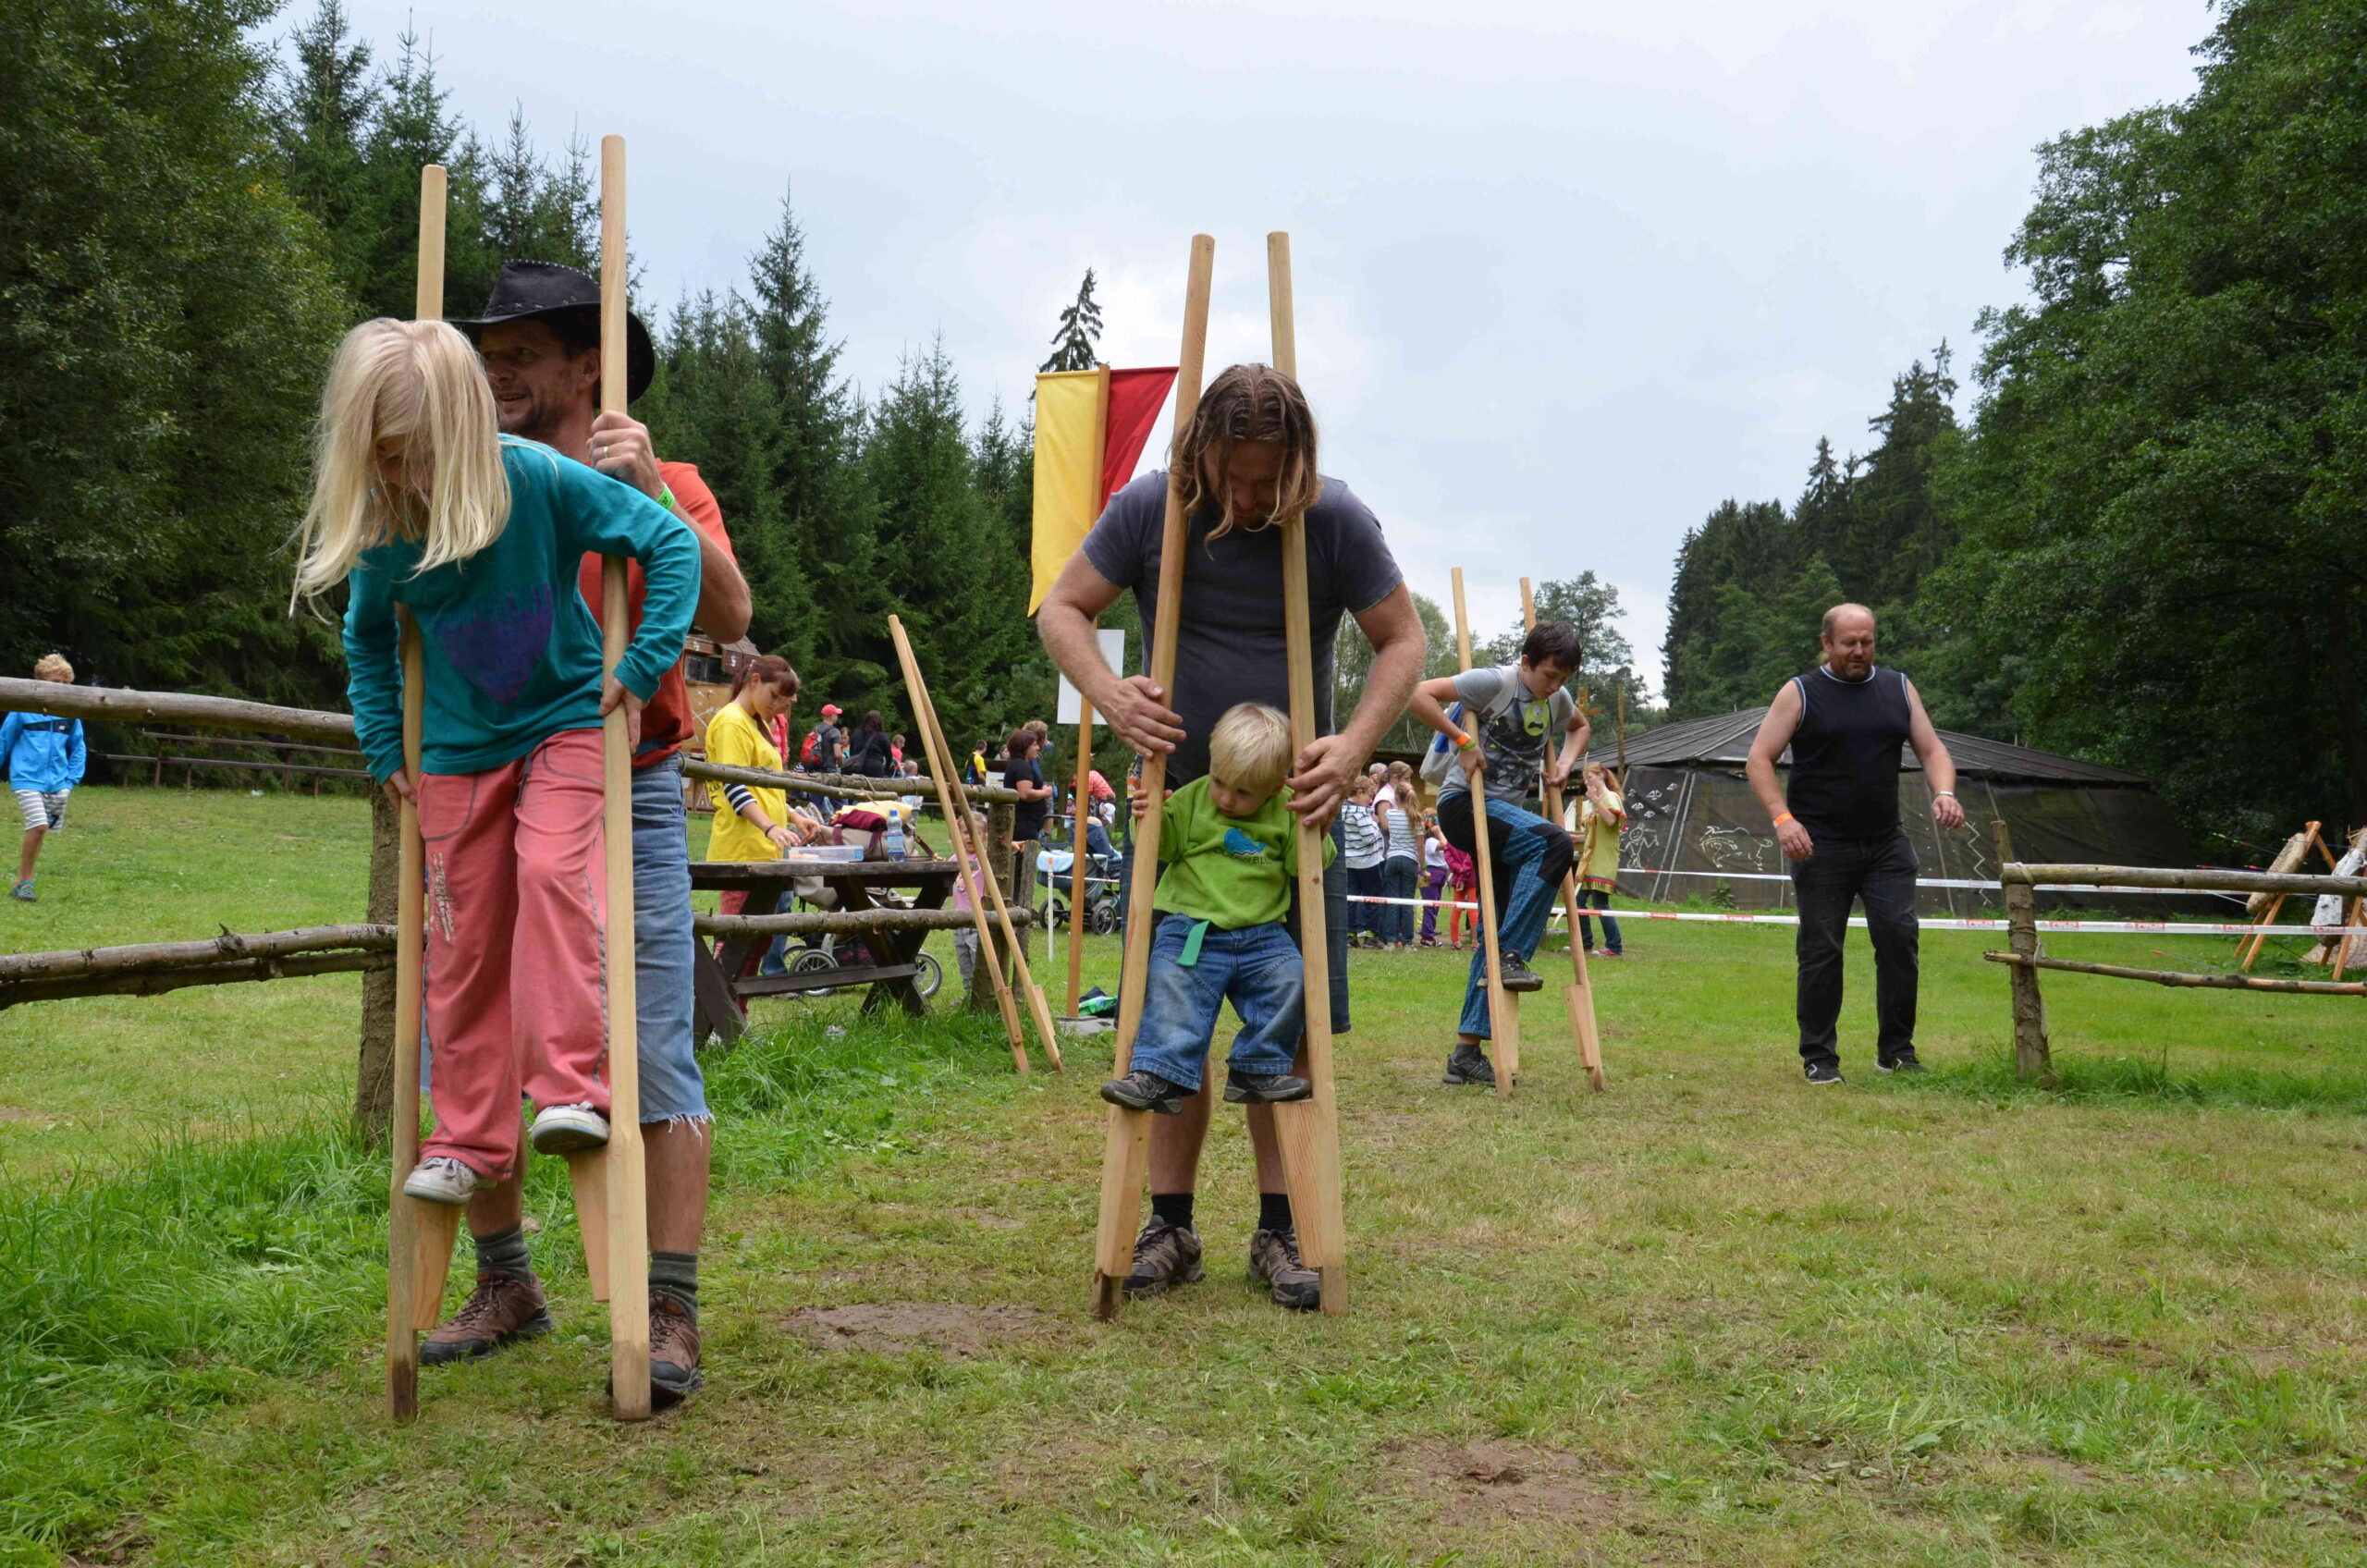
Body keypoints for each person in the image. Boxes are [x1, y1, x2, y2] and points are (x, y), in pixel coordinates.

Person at [297, 317, 699, 1398]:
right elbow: (369, 642)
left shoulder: (534, 477)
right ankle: (469, 1133)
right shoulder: (385, 521)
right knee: (457, 940)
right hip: (460, 749)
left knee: (557, 880)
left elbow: (665, 546)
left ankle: (572, 1087)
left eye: (430, 453)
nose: (417, 476)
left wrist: (647, 657)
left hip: (571, 720)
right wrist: (387, 744)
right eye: (394, 457)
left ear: (473, 427)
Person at [1037, 361, 1425, 1310]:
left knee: (1281, 1029)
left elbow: (1403, 642)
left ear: (1299, 463)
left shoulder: (1332, 519)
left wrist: (1352, 750)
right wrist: (1111, 695)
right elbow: (1062, 608)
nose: (1252, 498)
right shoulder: (1149, 510)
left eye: (1270, 480)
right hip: (1181, 816)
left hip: (1299, 815)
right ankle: (1168, 1221)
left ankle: (1282, 1229)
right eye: (1236, 477)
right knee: (1167, 1022)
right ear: (1200, 450)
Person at [440, 258, 754, 1405]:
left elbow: (730, 613)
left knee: (654, 1046)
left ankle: (666, 1304)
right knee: (465, 1034)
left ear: (588, 366)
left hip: (629, 788)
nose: (497, 369)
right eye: (491, 351)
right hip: (485, 788)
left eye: (521, 351)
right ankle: (508, 1281)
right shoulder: (475, 482)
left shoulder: (663, 477)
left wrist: (653, 497)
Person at [1746, 603, 1961, 1084]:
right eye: (1849, 643)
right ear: (1826, 643)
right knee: (1822, 949)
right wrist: (1783, 819)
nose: (1859, 651)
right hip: (1820, 845)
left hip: (1886, 843)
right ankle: (1820, 1057)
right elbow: (1759, 759)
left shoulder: (1899, 688)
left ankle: (1897, 1051)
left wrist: (1944, 791)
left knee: (1900, 939)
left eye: (1867, 642)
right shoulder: (1800, 692)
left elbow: (1932, 749)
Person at [1102, 703, 1331, 1119]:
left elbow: (1304, 869)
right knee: (1171, 988)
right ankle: (1159, 1073)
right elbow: (1165, 847)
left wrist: (1316, 830)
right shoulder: (1193, 798)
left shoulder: (1287, 807)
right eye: (1221, 782)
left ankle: (1257, 1069)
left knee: (1292, 979)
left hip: (1262, 935)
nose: (1226, 798)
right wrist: (1149, 817)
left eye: (1243, 792)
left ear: (1276, 784)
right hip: (1192, 930)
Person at [1410, 619, 1589, 1088]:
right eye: (1549, 675)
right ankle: (1511, 954)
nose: (1555, 687)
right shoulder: (1493, 681)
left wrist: (1565, 766)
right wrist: (1465, 741)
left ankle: (1466, 1053)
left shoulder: (1558, 700)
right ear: (1527, 662)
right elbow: (1416, 693)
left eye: (1563, 679)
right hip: (1463, 805)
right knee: (1555, 842)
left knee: (1497, 923)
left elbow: (1580, 728)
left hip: (1507, 818)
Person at [703, 656, 822, 974]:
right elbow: (736, 788)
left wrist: (794, 816)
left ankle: (735, 1020)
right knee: (734, 944)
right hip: (742, 850)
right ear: (753, 681)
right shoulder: (732, 722)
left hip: (763, 850)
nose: (777, 707)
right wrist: (770, 827)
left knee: (755, 947)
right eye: (774, 697)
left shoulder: (757, 722)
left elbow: (765, 788)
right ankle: (714, 1018)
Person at [4, 655, 86, 902]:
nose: (58, 688)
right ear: (40, 682)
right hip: (26, 778)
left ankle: (21, 882)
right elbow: (3, 740)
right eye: (53, 682)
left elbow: (78, 747)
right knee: (39, 826)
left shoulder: (70, 714)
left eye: (64, 684)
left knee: (40, 831)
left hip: (58, 783)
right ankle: (26, 881)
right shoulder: (23, 711)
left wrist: (71, 780)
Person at [1573, 763, 1625, 959]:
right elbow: (1594, 832)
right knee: (1578, 900)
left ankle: (1615, 946)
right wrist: (1576, 838)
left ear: (1602, 775)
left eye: (1591, 777)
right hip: (1589, 858)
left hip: (1603, 859)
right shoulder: (1597, 802)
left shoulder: (1610, 798)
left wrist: (1596, 800)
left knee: (1600, 903)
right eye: (1585, 779)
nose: (1588, 782)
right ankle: (1585, 942)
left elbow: (1612, 822)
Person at [1377, 762, 1423, 950]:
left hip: (1392, 859)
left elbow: (1385, 828)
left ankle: (1390, 941)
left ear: (1396, 797)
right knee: (1407, 901)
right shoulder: (1417, 818)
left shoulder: (1390, 815)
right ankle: (1408, 942)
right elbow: (1420, 845)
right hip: (1410, 860)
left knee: (1393, 901)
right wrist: (1424, 868)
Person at [1338, 776, 1386, 948]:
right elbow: (1367, 838)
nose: (1371, 800)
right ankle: (1371, 936)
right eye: (1369, 796)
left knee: (1351, 899)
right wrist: (1374, 824)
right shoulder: (1360, 813)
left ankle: (1350, 935)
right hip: (1368, 863)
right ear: (1359, 793)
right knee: (1372, 899)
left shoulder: (1340, 810)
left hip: (1349, 861)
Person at [1003, 729, 1053, 844]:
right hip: (1024, 824)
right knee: (1025, 859)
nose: (1038, 748)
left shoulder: (1016, 764)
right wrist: (1045, 792)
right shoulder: (1022, 766)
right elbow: (1025, 794)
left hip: (1024, 822)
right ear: (1025, 747)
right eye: (1034, 745)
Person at [1417, 815, 1450, 947]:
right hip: (1431, 873)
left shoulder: (1431, 840)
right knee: (1430, 906)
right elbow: (1444, 845)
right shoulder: (1431, 840)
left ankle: (1428, 932)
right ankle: (1427, 937)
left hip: (1437, 873)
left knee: (1433, 906)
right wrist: (1438, 832)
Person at [846, 710, 897, 778]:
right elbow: (889, 756)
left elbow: (852, 753)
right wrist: (886, 769)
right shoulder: (881, 736)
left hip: (858, 767)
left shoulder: (856, 734)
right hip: (875, 768)